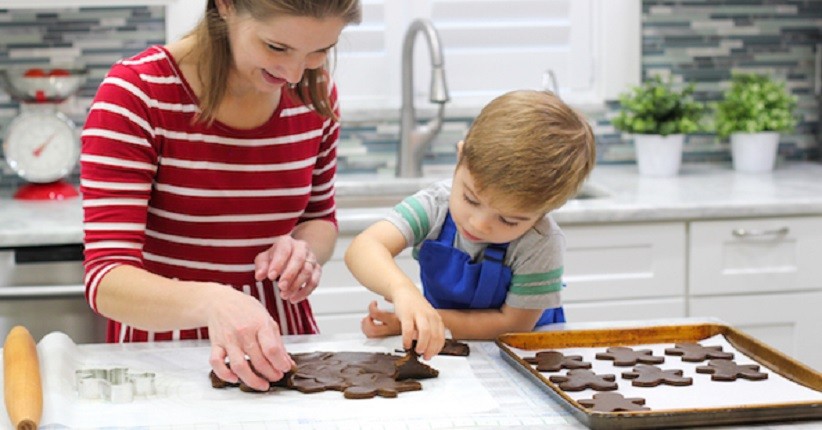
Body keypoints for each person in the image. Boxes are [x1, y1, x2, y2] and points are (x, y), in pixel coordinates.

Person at [80, 0, 361, 392]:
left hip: (284, 352)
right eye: (277, 48)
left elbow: (320, 218)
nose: (295, 72)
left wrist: (304, 251)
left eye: (319, 51)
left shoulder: (315, 92)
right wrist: (215, 303)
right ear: (226, 5)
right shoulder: (137, 95)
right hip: (163, 362)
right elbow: (107, 279)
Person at [344, 90, 596, 359]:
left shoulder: (540, 242)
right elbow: (364, 247)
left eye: (508, 220)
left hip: (524, 356)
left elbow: (512, 325)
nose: (479, 224)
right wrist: (403, 292)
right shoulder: (436, 205)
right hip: (448, 349)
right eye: (470, 199)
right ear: (461, 156)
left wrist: (429, 321)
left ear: (546, 211)